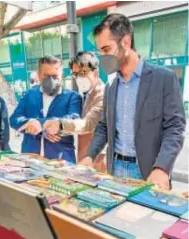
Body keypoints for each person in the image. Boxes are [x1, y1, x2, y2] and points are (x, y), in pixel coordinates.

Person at [79, 14, 186, 190]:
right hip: (116, 170)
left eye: (106, 49)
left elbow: (175, 128)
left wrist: (162, 168)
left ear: (126, 42)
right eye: (100, 52)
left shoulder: (163, 78)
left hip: (149, 172)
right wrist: (90, 156)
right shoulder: (111, 87)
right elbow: (104, 127)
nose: (103, 57)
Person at [10, 56, 82, 162]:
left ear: (62, 75)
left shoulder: (73, 97)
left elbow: (73, 119)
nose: (51, 80)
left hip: (61, 160)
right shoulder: (29, 94)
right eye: (46, 76)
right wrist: (36, 127)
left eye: (55, 76)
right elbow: (14, 119)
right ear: (38, 75)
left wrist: (40, 125)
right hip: (30, 159)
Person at [44, 52, 106, 172]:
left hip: (97, 161)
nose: (79, 78)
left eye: (83, 73)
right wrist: (55, 130)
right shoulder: (84, 95)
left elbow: (88, 123)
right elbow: (74, 121)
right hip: (83, 158)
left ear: (96, 73)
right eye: (75, 74)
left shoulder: (103, 95)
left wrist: (60, 125)